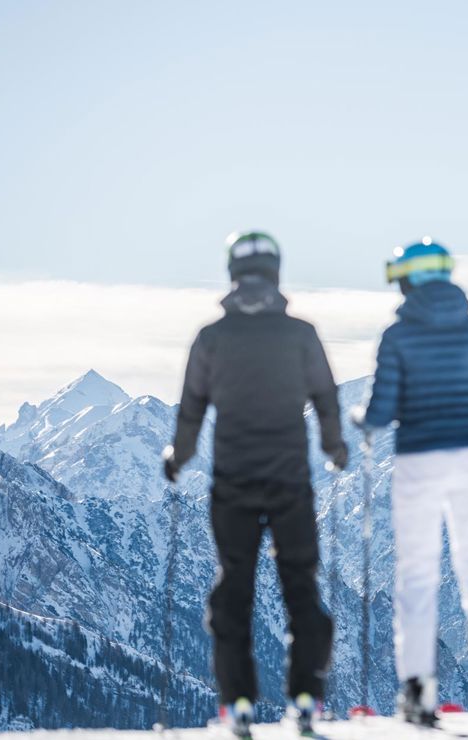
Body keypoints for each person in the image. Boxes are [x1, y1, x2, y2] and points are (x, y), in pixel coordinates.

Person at [162, 231, 347, 739]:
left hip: (233, 483)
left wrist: (178, 457)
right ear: (276, 272)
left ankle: (237, 703)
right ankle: (306, 697)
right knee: (301, 587)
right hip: (290, 481)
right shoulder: (301, 334)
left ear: (231, 274)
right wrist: (336, 449)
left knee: (233, 591)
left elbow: (191, 408)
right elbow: (327, 397)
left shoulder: (211, 338)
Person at [353, 237, 468, 727]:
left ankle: (419, 694)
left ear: (407, 279)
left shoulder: (397, 336)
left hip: (418, 461)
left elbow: (380, 412)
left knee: (418, 576)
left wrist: (361, 417)